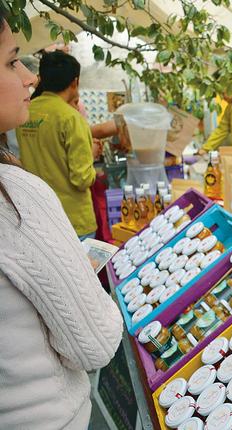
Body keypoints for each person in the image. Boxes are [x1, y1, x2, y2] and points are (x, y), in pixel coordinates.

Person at [0, 8, 123, 429]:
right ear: (73, 83)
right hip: (69, 217)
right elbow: (81, 175)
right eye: (11, 60)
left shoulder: (31, 115)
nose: (26, 77)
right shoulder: (17, 196)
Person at [16, 50, 97, 239]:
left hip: (39, 216)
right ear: (74, 82)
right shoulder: (70, 118)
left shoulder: (27, 112)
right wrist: (91, 154)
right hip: (74, 221)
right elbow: (82, 179)